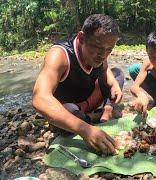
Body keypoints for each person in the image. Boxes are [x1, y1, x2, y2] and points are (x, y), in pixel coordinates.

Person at [32, 14, 124, 154]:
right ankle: (93, 117)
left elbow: (105, 69)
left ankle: (107, 108)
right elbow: (40, 98)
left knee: (117, 74)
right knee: (70, 116)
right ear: (81, 38)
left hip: (91, 97)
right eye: (98, 48)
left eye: (109, 50)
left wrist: (113, 85)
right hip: (72, 108)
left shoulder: (101, 54)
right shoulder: (60, 55)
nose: (103, 55)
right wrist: (85, 129)